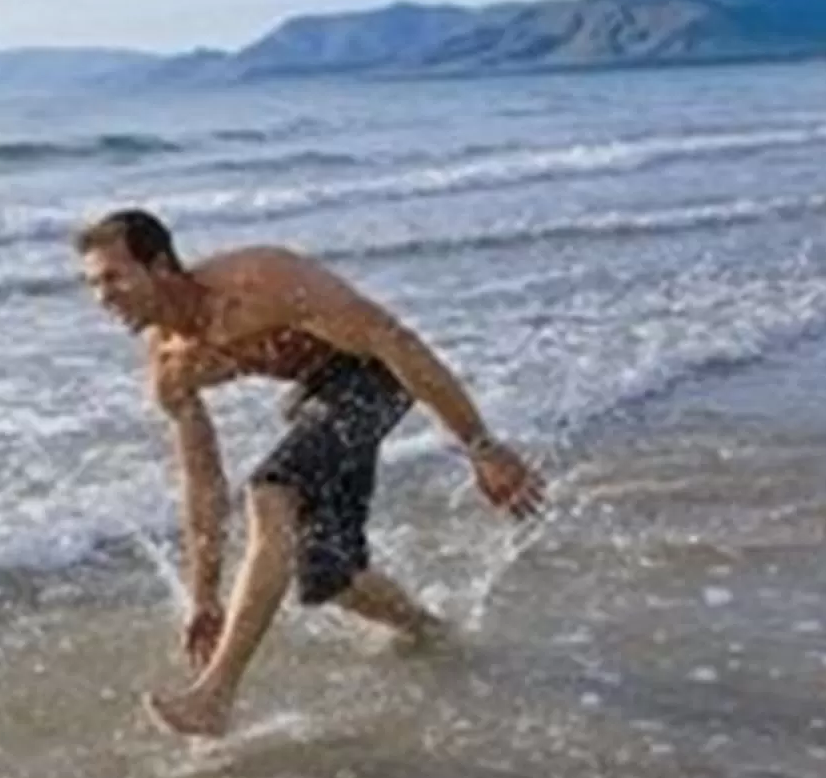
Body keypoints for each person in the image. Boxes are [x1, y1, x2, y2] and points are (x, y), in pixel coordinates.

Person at [72, 208, 545, 738]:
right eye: (91, 284)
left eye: (113, 277)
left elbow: (395, 340)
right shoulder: (171, 366)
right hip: (318, 395)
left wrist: (480, 445)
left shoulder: (261, 281)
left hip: (378, 376)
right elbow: (202, 483)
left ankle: (215, 696)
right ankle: (430, 630)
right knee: (329, 577)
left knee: (271, 490)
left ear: (158, 265)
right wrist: (205, 595)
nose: (102, 297)